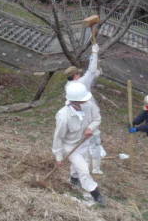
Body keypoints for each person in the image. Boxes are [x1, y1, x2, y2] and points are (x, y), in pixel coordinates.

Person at [52, 82, 104, 204]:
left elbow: (97, 119)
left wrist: (90, 128)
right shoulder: (63, 116)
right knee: (84, 169)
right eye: (82, 100)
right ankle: (95, 193)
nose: (85, 102)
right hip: (70, 147)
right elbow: (58, 138)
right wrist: (58, 156)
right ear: (74, 101)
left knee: (82, 163)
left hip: (84, 142)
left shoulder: (89, 105)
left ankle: (74, 179)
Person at [63, 43, 106, 175]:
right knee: (93, 143)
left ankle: (80, 171)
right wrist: (94, 53)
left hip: (76, 119)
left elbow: (90, 75)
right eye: (78, 74)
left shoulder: (69, 85)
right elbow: (91, 71)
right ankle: (93, 169)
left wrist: (94, 75)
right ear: (76, 76)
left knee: (81, 145)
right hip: (88, 118)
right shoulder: (81, 83)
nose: (79, 75)